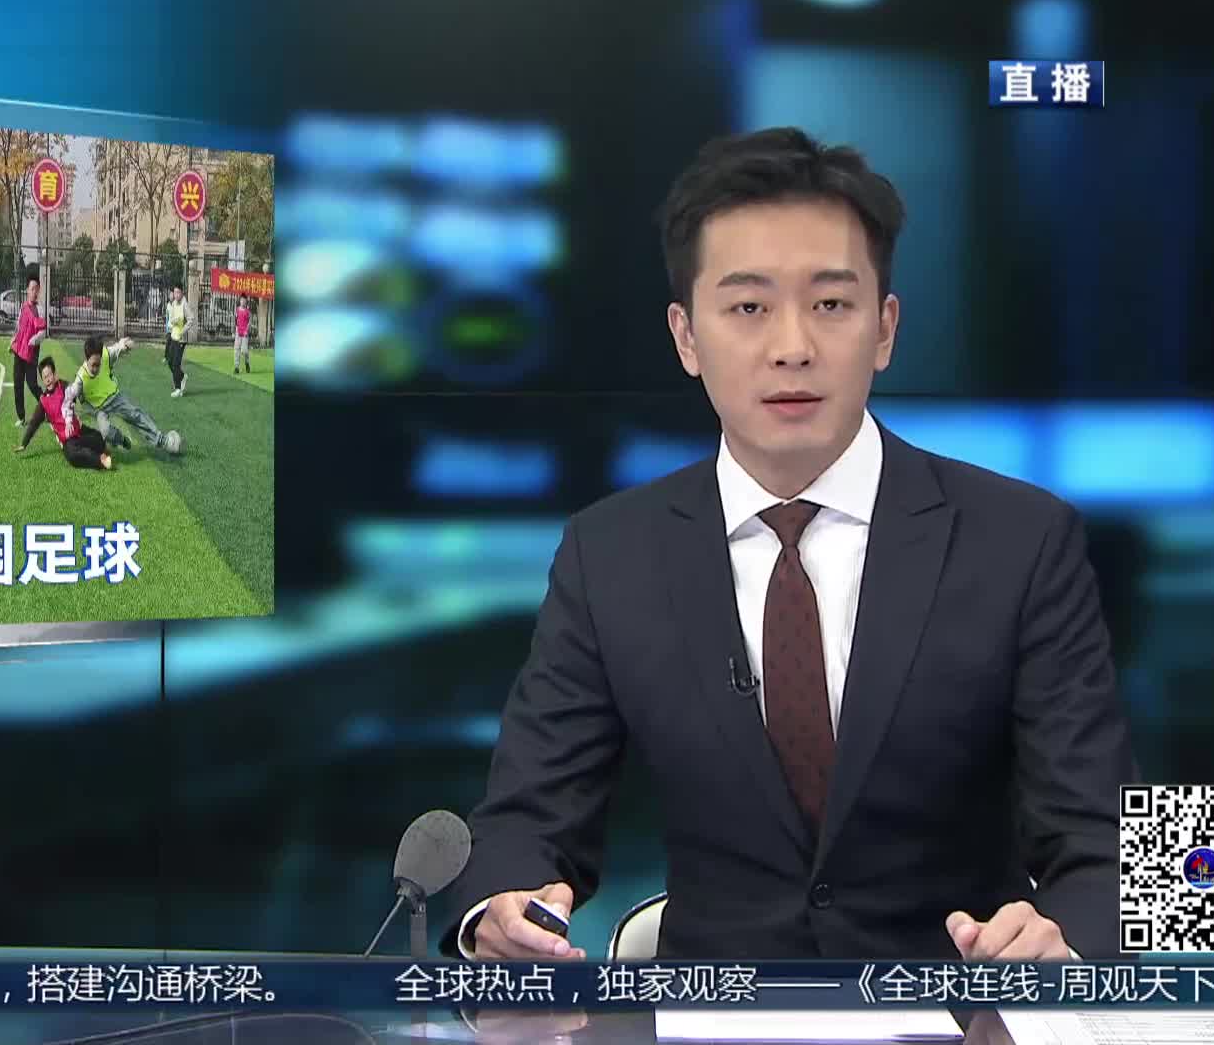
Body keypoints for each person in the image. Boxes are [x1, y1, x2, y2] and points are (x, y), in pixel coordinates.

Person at [445, 127, 1136, 964]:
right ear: (686, 337)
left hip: (956, 1008)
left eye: (831, 305)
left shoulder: (1021, 539)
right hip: (713, 1009)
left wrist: (1065, 942)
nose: (793, 347)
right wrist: (498, 907)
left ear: (885, 329)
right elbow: (526, 818)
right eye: (748, 308)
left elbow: (1103, 838)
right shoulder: (611, 552)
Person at [75, 334, 181, 456]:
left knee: (135, 415)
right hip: (99, 409)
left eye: (98, 365)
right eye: (93, 365)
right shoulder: (80, 379)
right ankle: (122, 440)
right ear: (86, 359)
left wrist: (124, 345)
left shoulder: (105, 355)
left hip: (115, 397)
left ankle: (163, 440)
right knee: (106, 431)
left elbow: (116, 349)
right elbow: (76, 399)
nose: (96, 368)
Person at [13, 357, 112, 470]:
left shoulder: (64, 385)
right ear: (42, 380)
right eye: (45, 377)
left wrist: (73, 405)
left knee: (99, 438)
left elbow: (73, 395)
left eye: (49, 375)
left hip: (78, 429)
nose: (48, 380)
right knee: (72, 455)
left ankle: (99, 449)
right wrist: (24, 444)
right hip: (68, 439)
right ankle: (100, 460)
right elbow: (34, 423)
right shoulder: (44, 401)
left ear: (55, 374)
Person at [10, 277, 49, 427]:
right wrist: (13, 340)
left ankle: (47, 408)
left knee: (32, 384)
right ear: (27, 290)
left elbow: (43, 333)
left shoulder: (39, 310)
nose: (34, 292)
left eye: (36, 289)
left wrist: (33, 340)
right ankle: (21, 417)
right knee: (17, 383)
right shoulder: (23, 307)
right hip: (19, 351)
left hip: (31, 353)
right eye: (32, 289)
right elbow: (19, 327)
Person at [163, 285, 190, 396]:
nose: (176, 295)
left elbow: (191, 320)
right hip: (173, 336)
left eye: (178, 292)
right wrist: (173, 321)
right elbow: (171, 319)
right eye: (175, 292)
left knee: (176, 364)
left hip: (181, 339)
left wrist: (182, 331)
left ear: (182, 293)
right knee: (170, 361)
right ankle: (182, 376)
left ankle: (178, 389)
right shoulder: (173, 304)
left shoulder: (185, 305)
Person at [232, 297, 252, 373]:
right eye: (242, 300)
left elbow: (249, 322)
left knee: (244, 350)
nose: (243, 302)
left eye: (244, 301)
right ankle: (236, 367)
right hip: (238, 331)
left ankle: (247, 363)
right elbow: (234, 320)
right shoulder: (237, 310)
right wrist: (234, 331)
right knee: (236, 349)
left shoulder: (248, 312)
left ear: (246, 302)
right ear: (240, 301)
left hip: (245, 333)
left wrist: (247, 330)